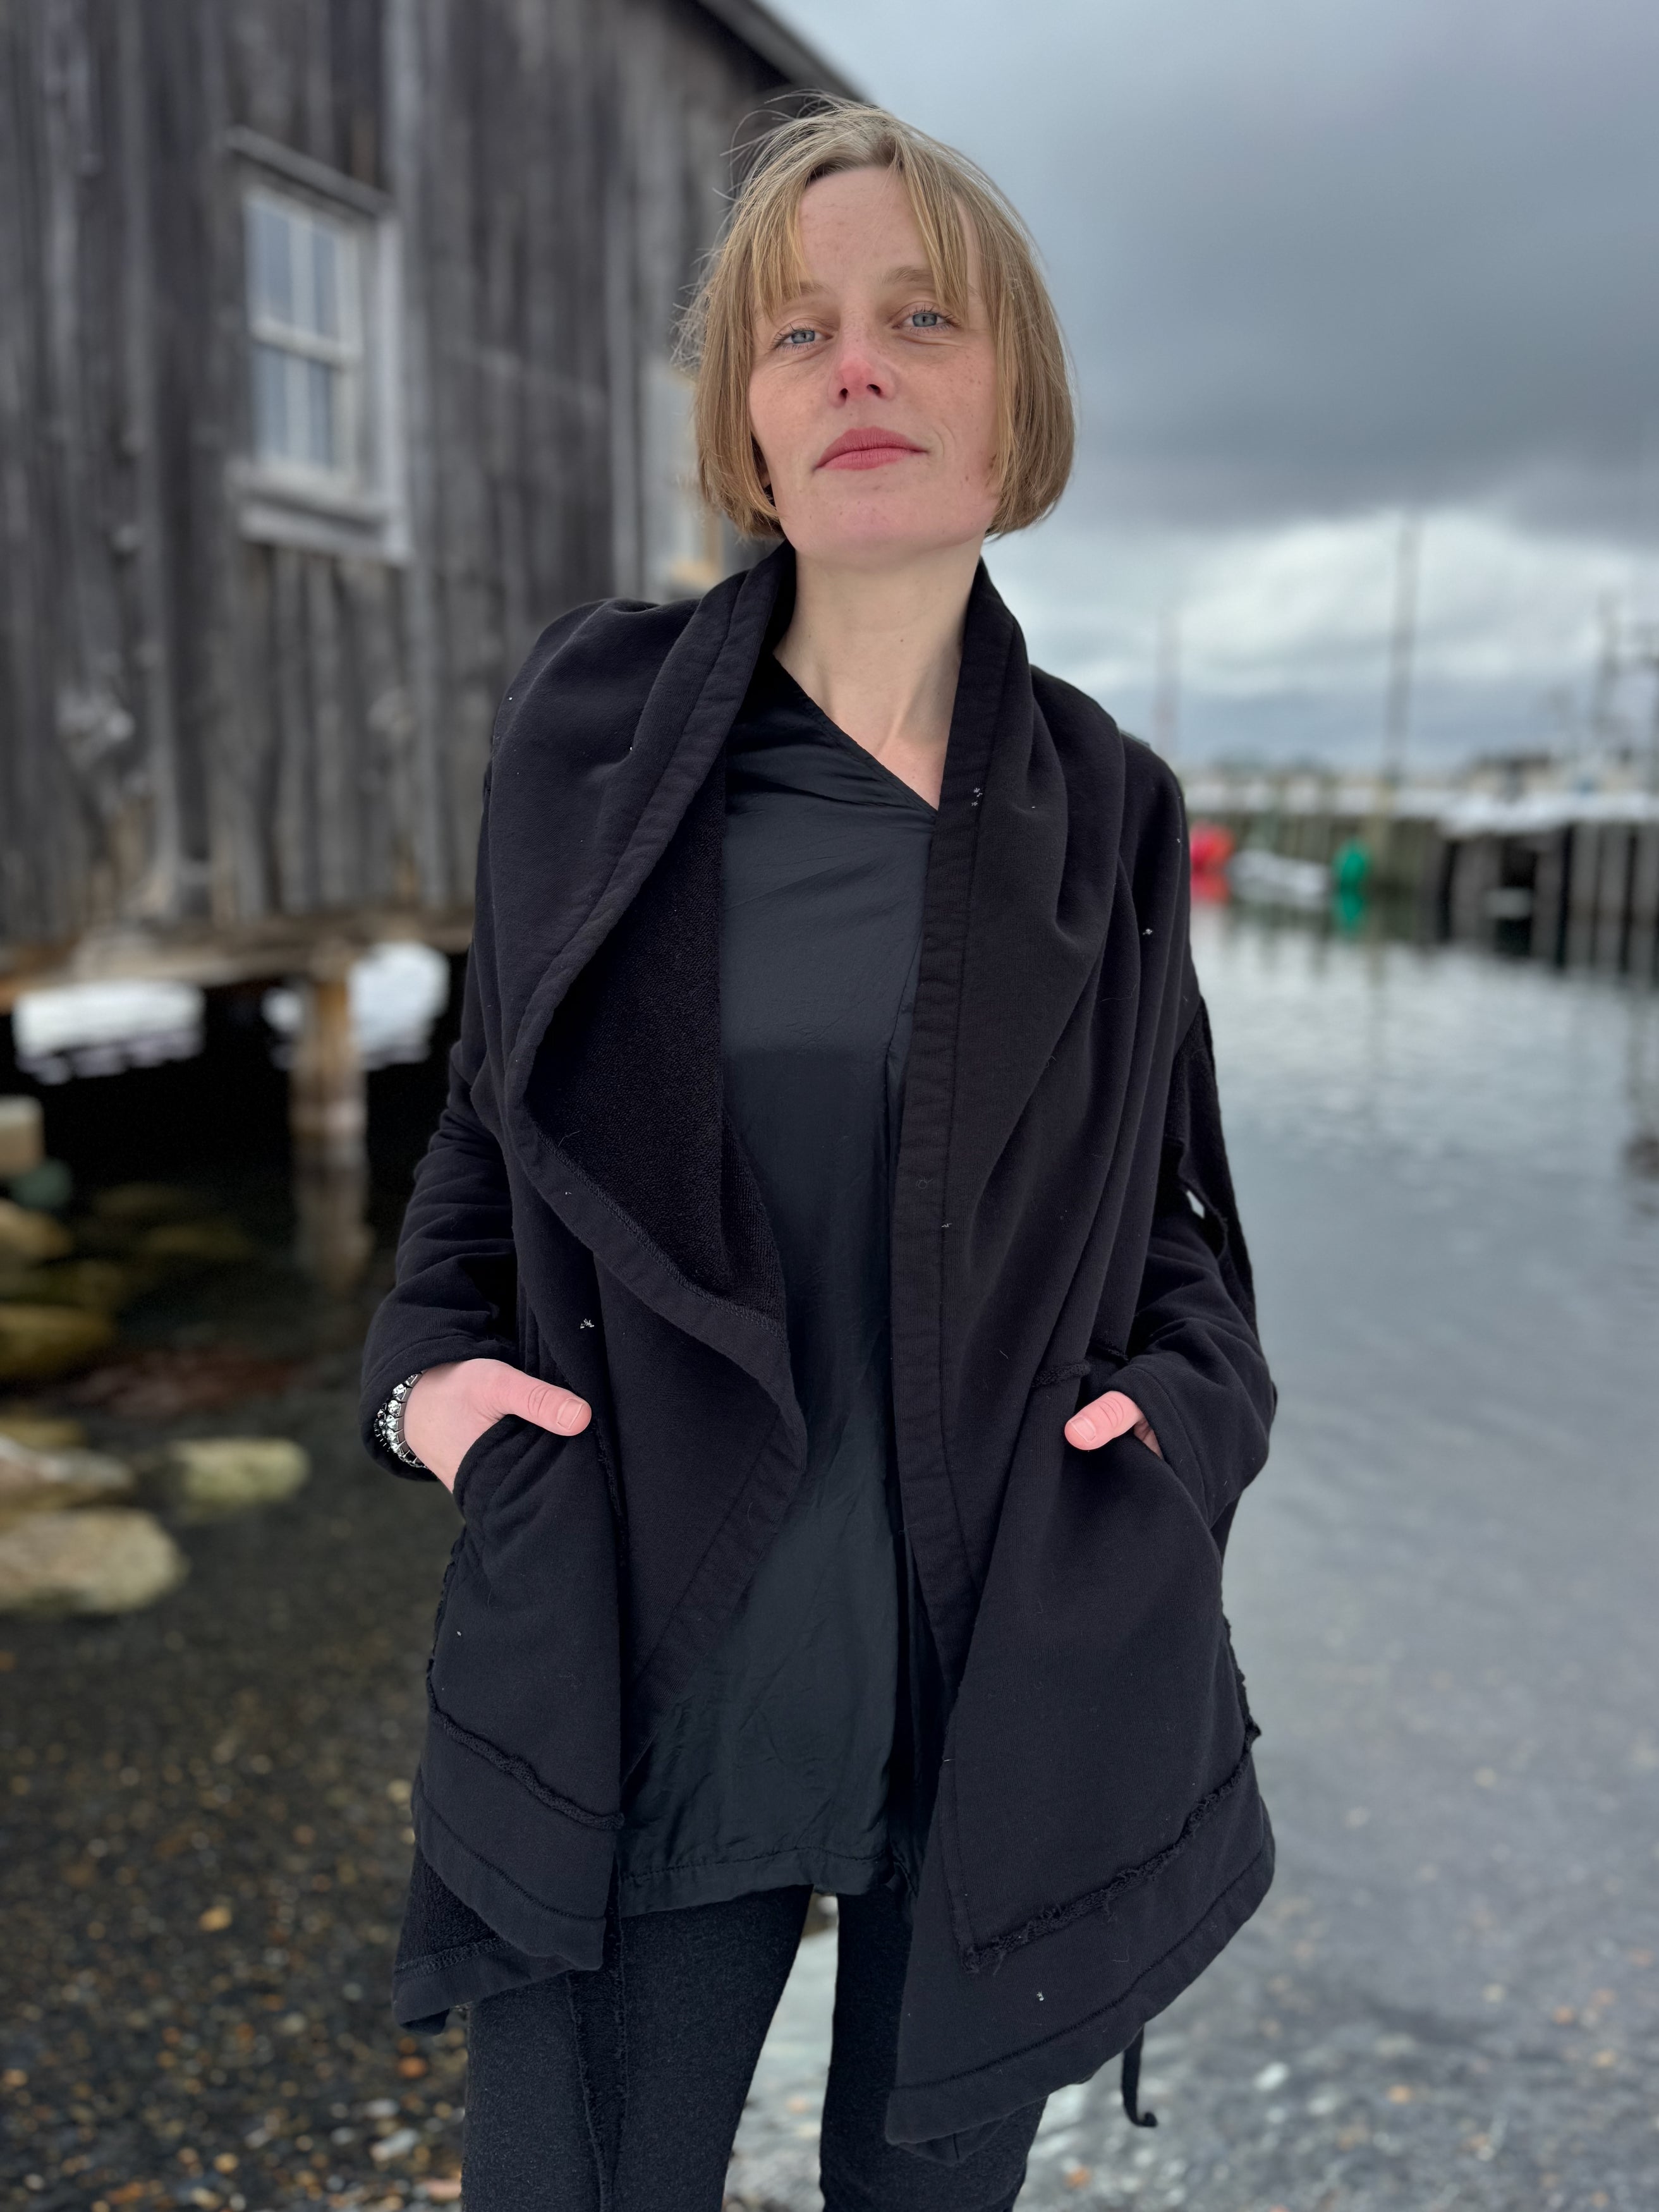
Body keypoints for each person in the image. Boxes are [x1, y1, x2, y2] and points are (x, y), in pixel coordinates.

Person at [362, 99, 1275, 2212]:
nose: (855, 363)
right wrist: (428, 1399)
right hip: (647, 1667)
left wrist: (1178, 1443)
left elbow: (1183, 1238)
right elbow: (486, 1148)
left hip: (1000, 1694)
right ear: (746, 421)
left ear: (1011, 397)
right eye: (798, 332)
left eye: (917, 316)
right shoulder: (586, 736)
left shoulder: (1108, 806)